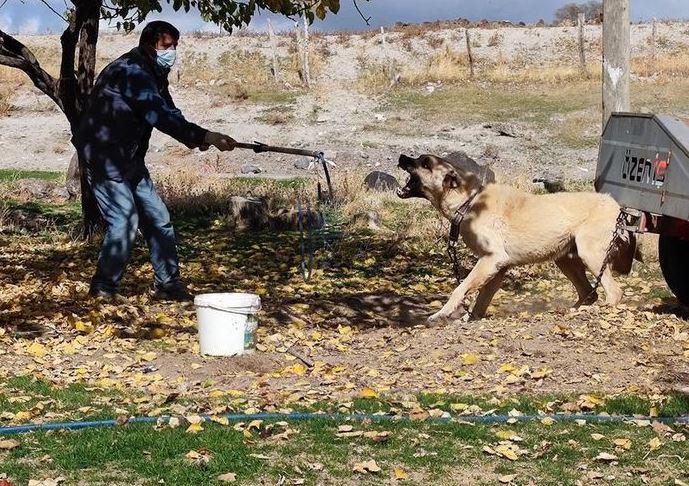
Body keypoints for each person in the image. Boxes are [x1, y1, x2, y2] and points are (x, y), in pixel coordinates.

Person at [73, 20, 235, 301]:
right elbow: (158, 115)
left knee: (158, 218)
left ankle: (168, 285)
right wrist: (205, 135)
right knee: (124, 218)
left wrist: (199, 138)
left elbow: (169, 111)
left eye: (175, 46)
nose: (171, 51)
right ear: (149, 45)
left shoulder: (154, 72)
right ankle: (103, 288)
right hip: (104, 157)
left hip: (129, 157)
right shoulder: (131, 72)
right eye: (166, 46)